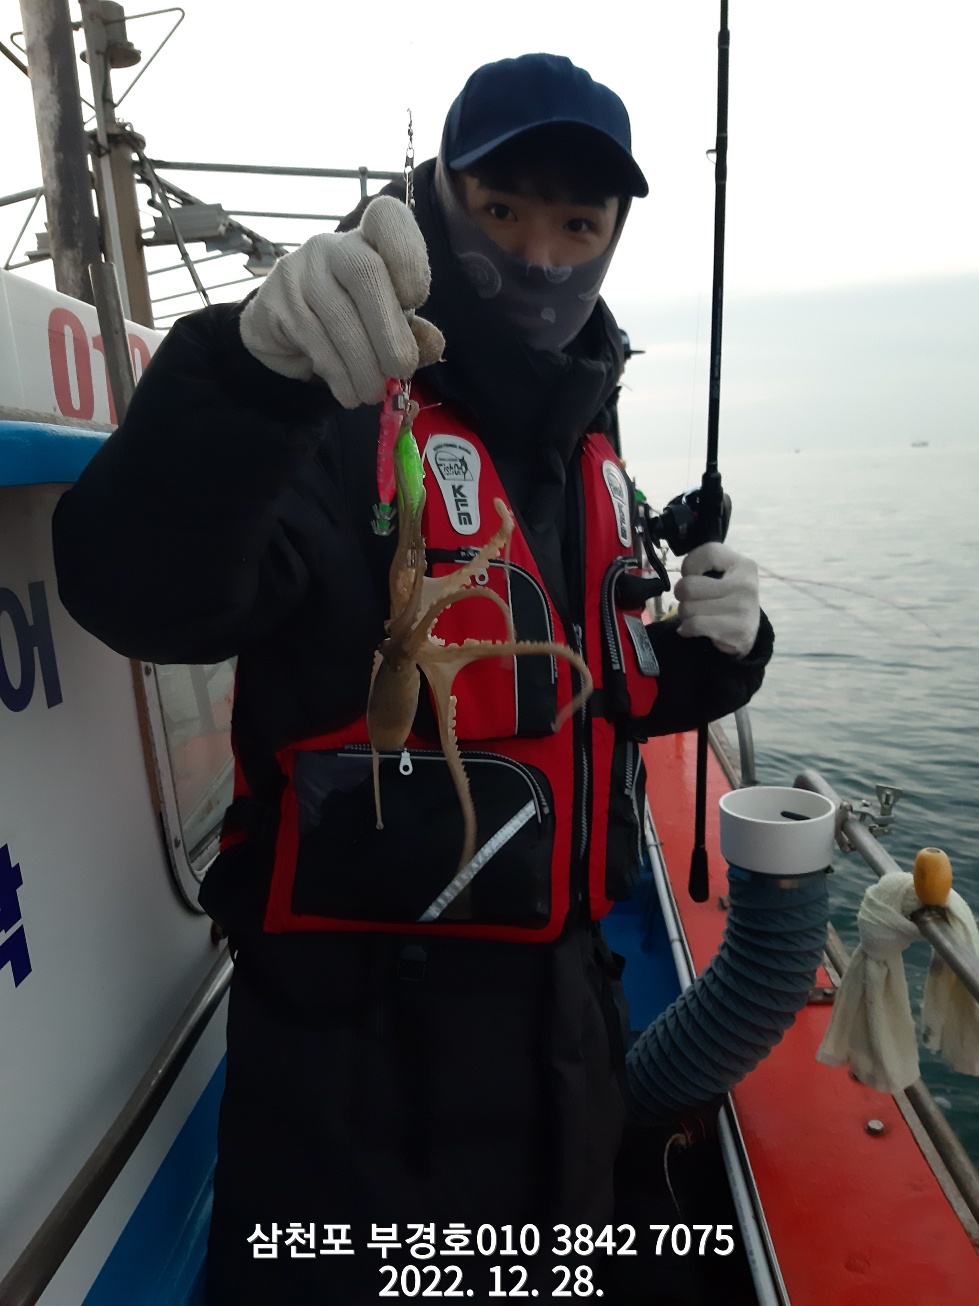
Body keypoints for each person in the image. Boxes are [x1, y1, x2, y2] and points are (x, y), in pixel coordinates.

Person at [53, 53, 773, 1305]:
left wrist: (718, 651)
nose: (539, 254)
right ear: (441, 200)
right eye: (503, 208)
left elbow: (595, 698)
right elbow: (143, 594)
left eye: (578, 224)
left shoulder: (584, 441)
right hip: (353, 1091)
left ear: (612, 237)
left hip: (566, 1043)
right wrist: (245, 374)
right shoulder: (333, 409)